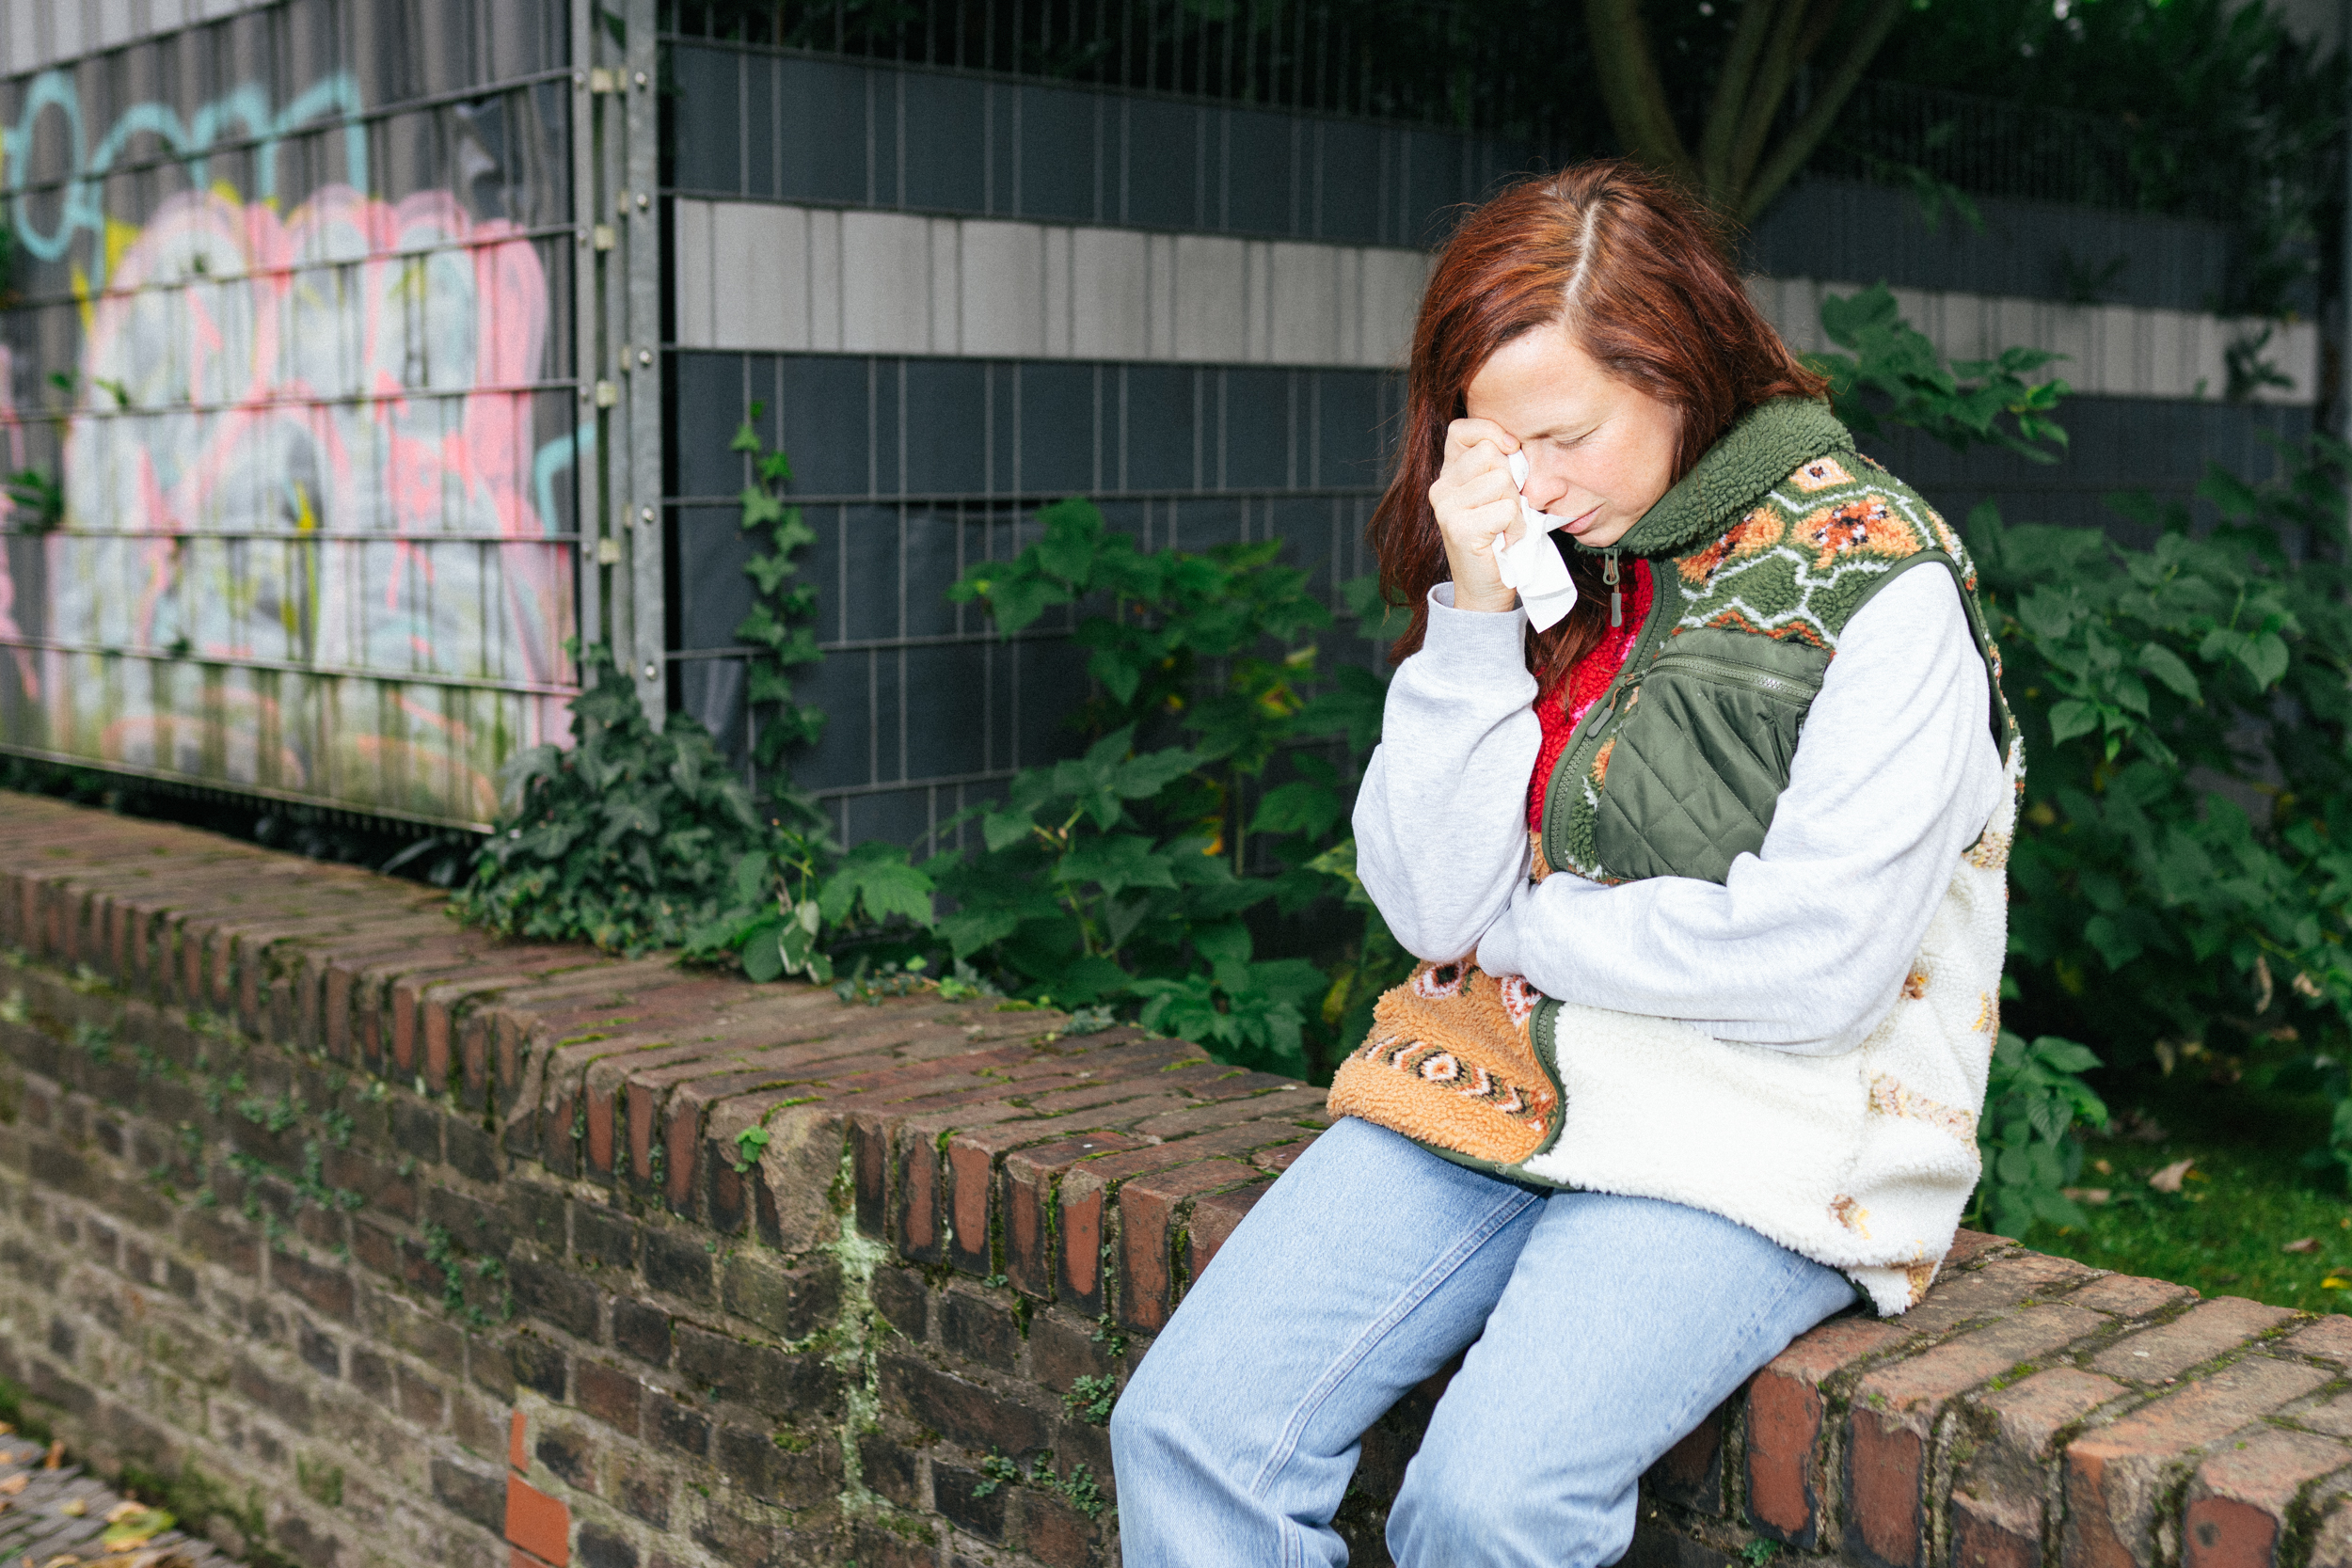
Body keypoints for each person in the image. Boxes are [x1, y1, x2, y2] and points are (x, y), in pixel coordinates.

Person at [1106, 161, 2020, 1567]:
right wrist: (1474, 612)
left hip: (1755, 1128)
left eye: (1566, 434)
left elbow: (1819, 967)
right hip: (1490, 1084)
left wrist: (1531, 931)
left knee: (1489, 1508)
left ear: (1680, 365)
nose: (1529, 481)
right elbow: (1425, 902)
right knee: (1187, 1433)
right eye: (1491, 442)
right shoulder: (1547, 560)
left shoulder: (1880, 585)